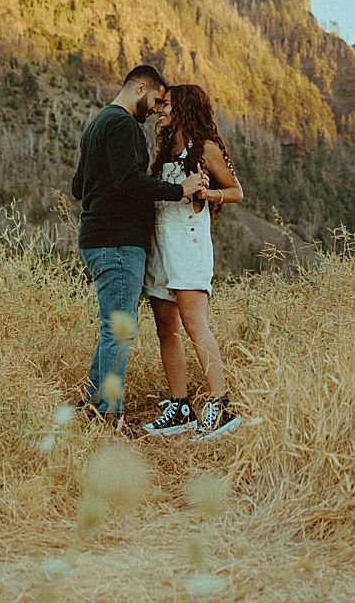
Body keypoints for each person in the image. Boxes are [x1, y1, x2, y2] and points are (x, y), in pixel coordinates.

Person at [71, 65, 208, 420]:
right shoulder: (123, 125)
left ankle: (94, 402)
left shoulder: (98, 124)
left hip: (98, 237)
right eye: (157, 99)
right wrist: (179, 190)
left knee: (114, 325)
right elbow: (128, 182)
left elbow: (77, 186)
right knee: (120, 327)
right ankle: (108, 413)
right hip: (117, 240)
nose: (157, 109)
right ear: (141, 87)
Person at [141, 83, 244, 442]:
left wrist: (207, 192)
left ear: (184, 107)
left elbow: (236, 190)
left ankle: (220, 404)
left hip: (188, 242)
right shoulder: (167, 148)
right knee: (164, 328)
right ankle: (180, 406)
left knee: (193, 323)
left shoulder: (206, 148)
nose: (160, 110)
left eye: (167, 104)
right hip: (161, 246)